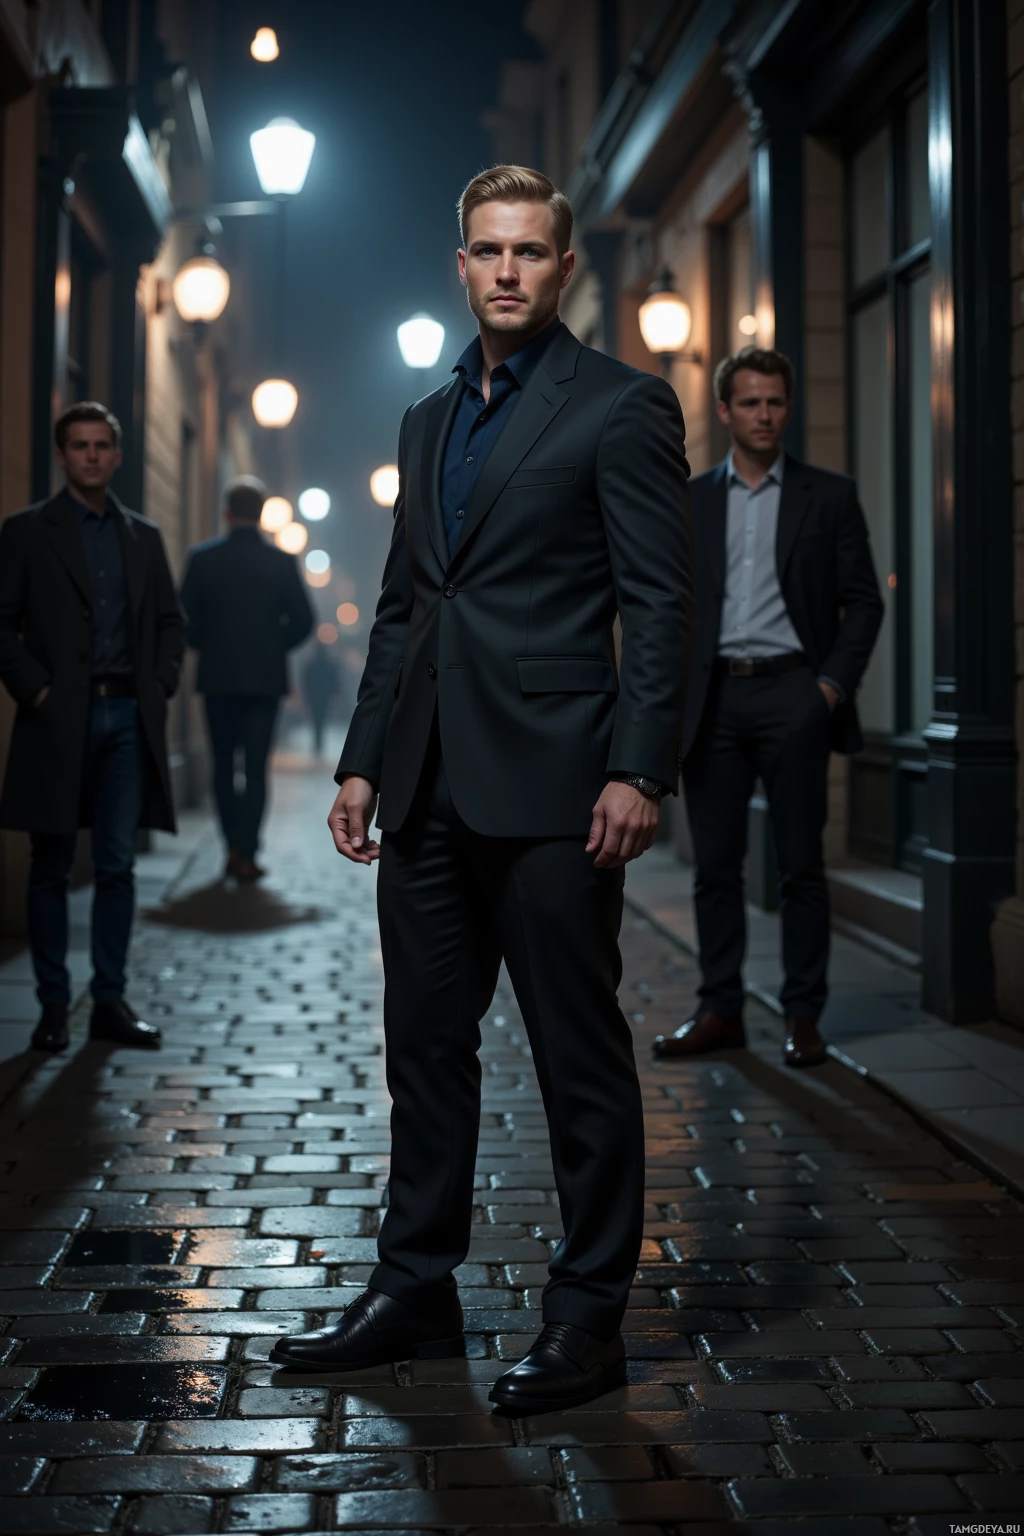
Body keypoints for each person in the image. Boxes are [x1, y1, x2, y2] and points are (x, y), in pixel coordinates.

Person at [271, 165, 694, 1414]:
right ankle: (416, 1289)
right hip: (429, 793)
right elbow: (405, 609)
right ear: (458, 266)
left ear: (564, 270)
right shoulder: (425, 419)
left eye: (528, 253)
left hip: (564, 788)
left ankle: (587, 1316)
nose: (505, 271)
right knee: (424, 1054)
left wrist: (638, 764)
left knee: (576, 1059)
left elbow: (661, 604)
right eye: (485, 252)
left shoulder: (622, 407)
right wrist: (360, 759)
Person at [653, 347, 884, 1070]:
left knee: (800, 866)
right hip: (714, 700)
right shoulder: (691, 500)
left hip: (793, 692)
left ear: (787, 407)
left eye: (774, 402)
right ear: (724, 411)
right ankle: (721, 1008)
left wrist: (828, 688)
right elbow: (667, 608)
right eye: (749, 402)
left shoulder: (830, 495)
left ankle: (802, 1017)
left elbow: (864, 603)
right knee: (714, 866)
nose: (763, 414)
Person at [0, 401, 185, 1052]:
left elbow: (170, 621)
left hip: (127, 718)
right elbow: (2, 623)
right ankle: (53, 1007)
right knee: (50, 864)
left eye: (102, 445)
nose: (90, 455)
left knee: (116, 866)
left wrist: (158, 686)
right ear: (60, 455)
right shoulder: (26, 532)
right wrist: (38, 689)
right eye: (78, 445)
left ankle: (108, 1000)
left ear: (117, 454)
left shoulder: (143, 536)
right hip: (57, 719)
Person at [180, 477, 314, 882]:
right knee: (256, 769)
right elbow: (304, 621)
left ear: (226, 513)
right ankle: (249, 850)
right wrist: (275, 646)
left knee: (223, 766)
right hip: (264, 681)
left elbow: (185, 619)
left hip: (218, 678)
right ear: (260, 514)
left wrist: (208, 644)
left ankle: (231, 847)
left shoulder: (203, 559)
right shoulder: (280, 561)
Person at [302, 641, 341, 757]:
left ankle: (317, 742)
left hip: (313, 697)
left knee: (316, 720)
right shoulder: (330, 666)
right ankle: (319, 742)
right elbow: (335, 682)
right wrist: (335, 695)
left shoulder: (310, 665)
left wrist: (305, 696)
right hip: (325, 697)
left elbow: (306, 682)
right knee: (322, 719)